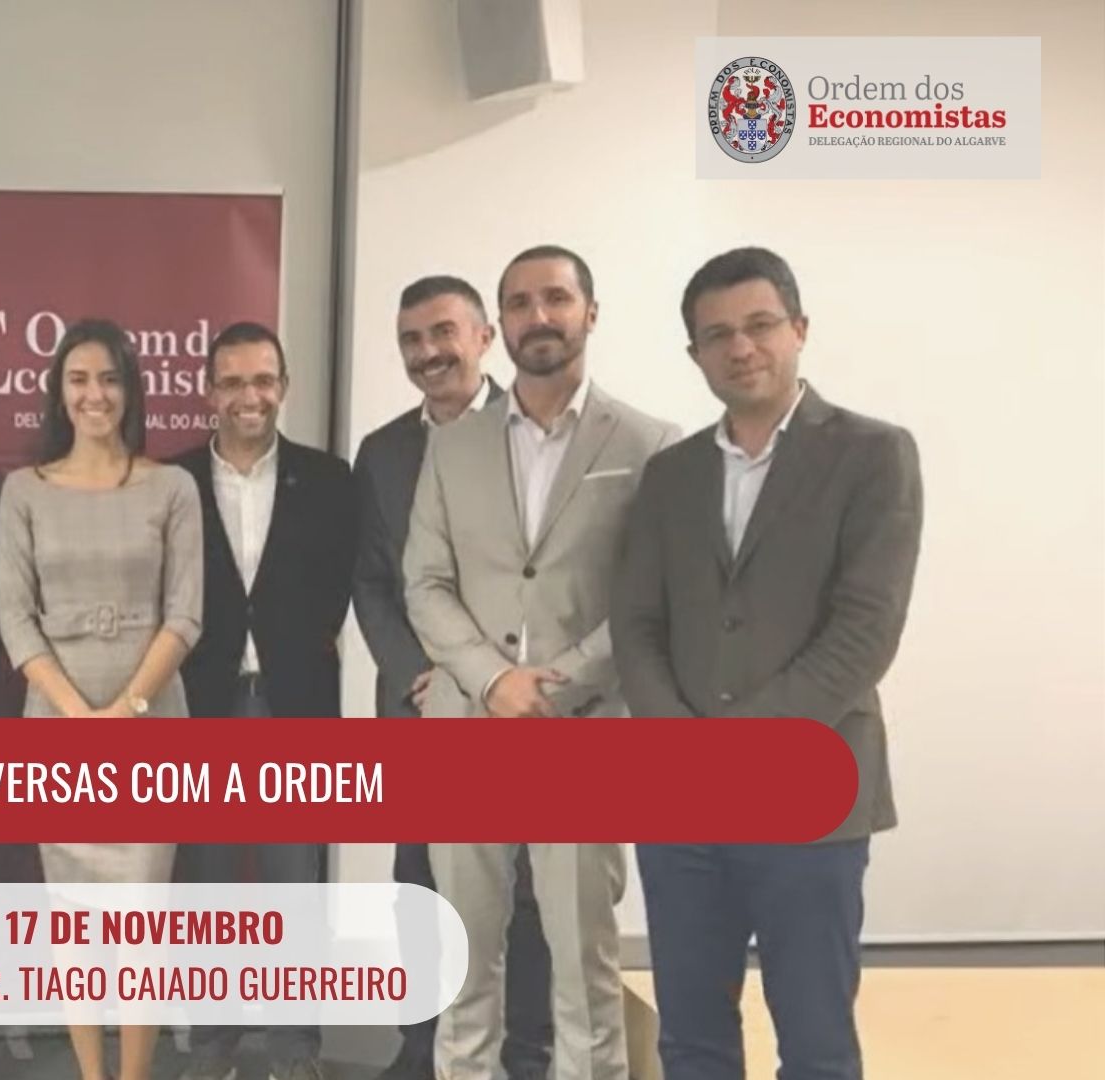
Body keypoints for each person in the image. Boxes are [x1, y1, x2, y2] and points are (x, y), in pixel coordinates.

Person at [613, 247, 923, 1080]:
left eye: (759, 325)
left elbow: (865, 633)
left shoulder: (873, 454)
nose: (740, 347)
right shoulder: (670, 474)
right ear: (695, 354)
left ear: (799, 329)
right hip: (679, 805)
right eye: (717, 334)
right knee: (691, 1043)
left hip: (810, 795)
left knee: (816, 1044)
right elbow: (636, 623)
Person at [403, 247, 678, 1080]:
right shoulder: (452, 446)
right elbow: (425, 581)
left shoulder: (650, 444)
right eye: (520, 302)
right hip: (466, 727)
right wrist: (493, 680)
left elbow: (648, 597)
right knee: (464, 958)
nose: (539, 316)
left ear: (590, 312)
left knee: (583, 962)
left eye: (556, 298)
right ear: (501, 324)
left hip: (584, 730)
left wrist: (556, 685)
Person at [350, 275, 550, 1080]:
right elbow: (372, 581)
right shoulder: (382, 453)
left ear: (483, 338)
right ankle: (421, 1049)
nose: (428, 352)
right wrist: (417, 673)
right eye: (412, 339)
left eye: (443, 333)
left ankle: (525, 1052)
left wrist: (495, 679)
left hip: (518, 708)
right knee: (420, 882)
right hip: (421, 707)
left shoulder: (535, 432)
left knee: (524, 891)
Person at [0, 318, 203, 1080]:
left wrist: (125, 712)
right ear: (59, 392)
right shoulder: (24, 490)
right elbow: (16, 618)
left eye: (110, 379)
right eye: (79, 379)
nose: (95, 395)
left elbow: (185, 614)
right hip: (58, 726)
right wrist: (78, 717)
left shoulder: (172, 487)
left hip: (150, 723)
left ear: (131, 391)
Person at [171, 321, 355, 1080]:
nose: (250, 396)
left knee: (292, 885)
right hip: (202, 703)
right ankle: (212, 1045)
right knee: (207, 885)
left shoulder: (331, 479)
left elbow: (341, 584)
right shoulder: (173, 481)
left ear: (284, 386)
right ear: (208, 391)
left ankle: (294, 1048)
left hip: (294, 704)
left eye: (263, 380)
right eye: (233, 382)